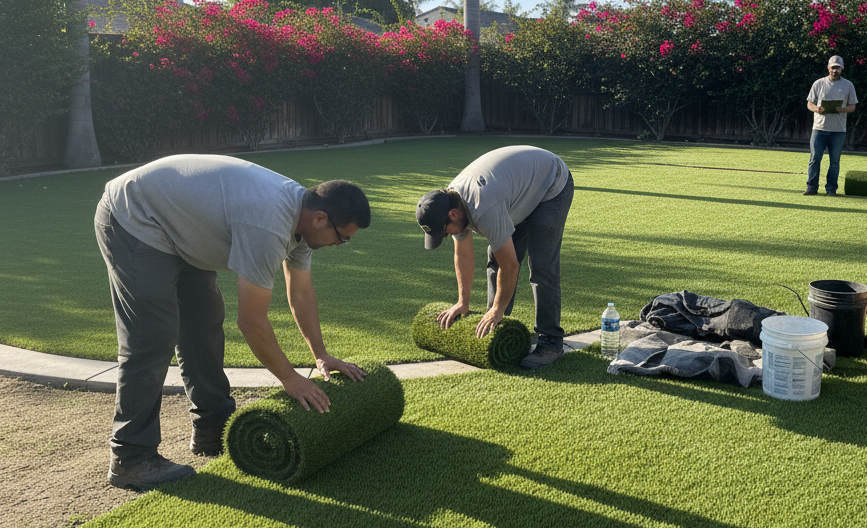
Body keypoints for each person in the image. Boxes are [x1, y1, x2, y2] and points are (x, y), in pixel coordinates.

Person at [94, 154, 371, 490]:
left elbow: (300, 293)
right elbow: (251, 320)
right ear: (320, 218)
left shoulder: (304, 223)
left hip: (179, 225)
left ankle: (214, 429)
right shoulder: (269, 222)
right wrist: (290, 378)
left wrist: (321, 355)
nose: (340, 244)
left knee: (204, 324)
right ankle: (131, 458)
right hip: (135, 215)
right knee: (152, 336)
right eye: (342, 237)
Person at [416, 145, 574, 370]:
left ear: (453, 215)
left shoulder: (482, 207)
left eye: (444, 232)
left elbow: (510, 266)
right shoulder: (450, 202)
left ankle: (550, 342)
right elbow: (463, 254)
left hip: (551, 183)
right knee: (496, 257)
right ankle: (496, 327)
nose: (447, 235)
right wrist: (462, 302)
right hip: (517, 190)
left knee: (541, 265)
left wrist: (497, 309)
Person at [805, 55, 859, 196]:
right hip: (819, 129)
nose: (835, 70)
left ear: (842, 69)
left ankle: (831, 189)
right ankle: (811, 187)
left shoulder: (848, 85)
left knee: (834, 161)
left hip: (838, 130)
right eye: (833, 67)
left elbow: (852, 106)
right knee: (815, 158)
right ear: (828, 67)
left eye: (838, 68)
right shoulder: (818, 83)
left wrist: (843, 109)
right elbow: (809, 103)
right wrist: (816, 109)